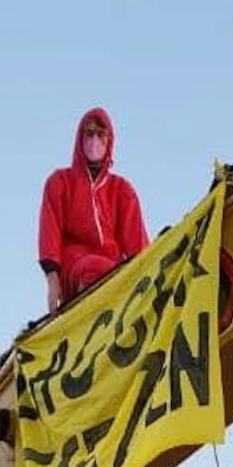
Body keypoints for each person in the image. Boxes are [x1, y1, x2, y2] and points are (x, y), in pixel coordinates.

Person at [37, 108, 148, 313]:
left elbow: (138, 246)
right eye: (89, 134)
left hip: (113, 269)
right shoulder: (60, 182)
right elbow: (49, 232)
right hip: (76, 267)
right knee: (94, 268)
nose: (94, 140)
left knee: (119, 275)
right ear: (80, 139)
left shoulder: (122, 190)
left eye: (100, 134)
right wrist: (52, 282)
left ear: (109, 141)